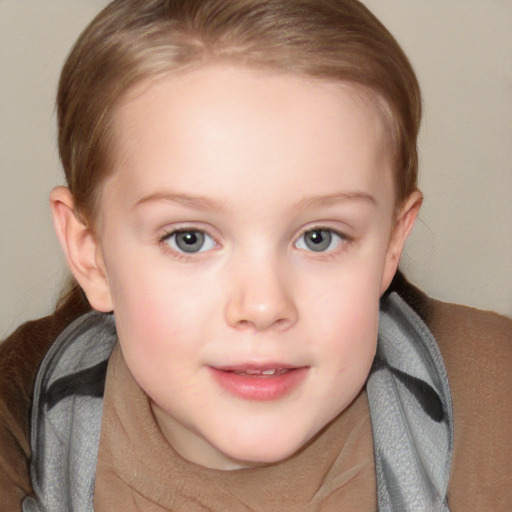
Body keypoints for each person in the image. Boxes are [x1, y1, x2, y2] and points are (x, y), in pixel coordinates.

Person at [0, 0, 510, 510]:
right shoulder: (19, 425)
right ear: (91, 253)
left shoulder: (494, 401)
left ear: (391, 243)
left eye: (319, 237)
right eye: (189, 239)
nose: (264, 306)